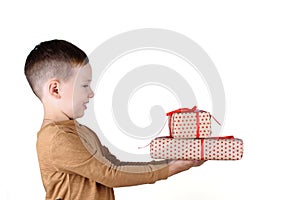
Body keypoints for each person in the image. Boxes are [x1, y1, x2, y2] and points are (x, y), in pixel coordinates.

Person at [24, 39, 205, 200]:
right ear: (55, 89)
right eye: (84, 85)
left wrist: (171, 162)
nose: (91, 93)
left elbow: (115, 165)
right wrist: (173, 168)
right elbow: (111, 174)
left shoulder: (81, 131)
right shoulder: (56, 139)